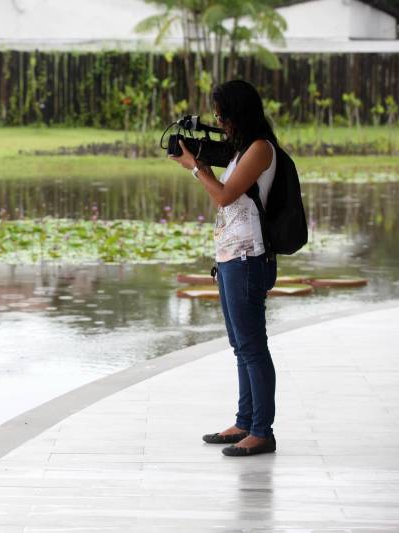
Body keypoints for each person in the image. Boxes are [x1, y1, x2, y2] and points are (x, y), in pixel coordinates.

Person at [169, 79, 278, 456]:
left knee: (252, 346)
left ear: (237, 113)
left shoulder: (261, 149)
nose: (219, 120)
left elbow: (224, 196)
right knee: (240, 346)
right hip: (231, 257)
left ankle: (262, 431)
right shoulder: (239, 151)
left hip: (249, 256)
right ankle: (245, 421)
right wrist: (197, 155)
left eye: (221, 114)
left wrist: (195, 167)